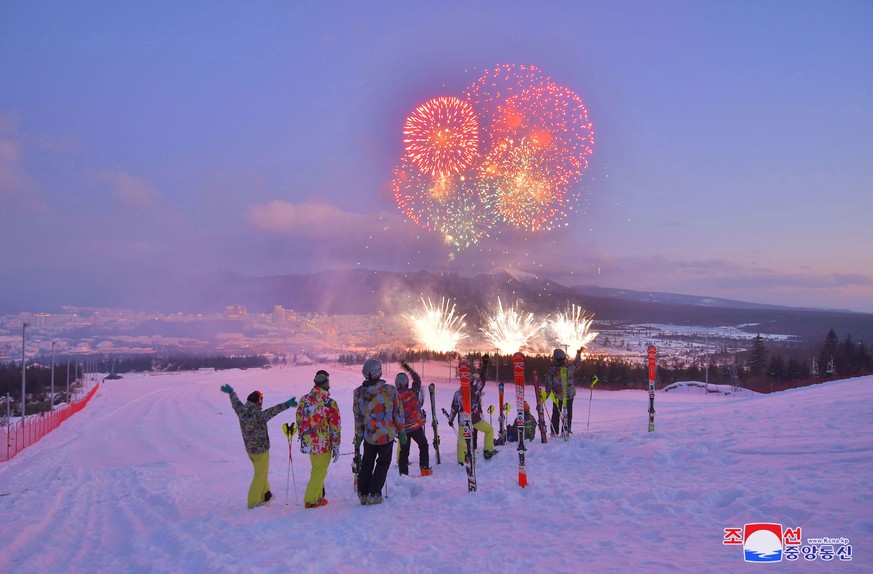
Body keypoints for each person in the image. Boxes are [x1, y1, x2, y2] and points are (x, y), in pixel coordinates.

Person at [220, 384, 297, 509]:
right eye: (261, 400)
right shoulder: (258, 415)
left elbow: (235, 402)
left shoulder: (241, 410)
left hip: (250, 451)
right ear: (258, 402)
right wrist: (287, 405)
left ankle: (266, 495)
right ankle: (253, 502)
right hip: (261, 451)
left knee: (261, 472)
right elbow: (272, 411)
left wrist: (231, 392)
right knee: (260, 475)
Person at [353, 358, 405, 505]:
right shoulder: (390, 391)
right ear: (379, 372)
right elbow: (398, 414)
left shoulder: (358, 393)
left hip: (369, 436)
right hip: (386, 435)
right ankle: (374, 493)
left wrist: (359, 435)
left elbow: (358, 416)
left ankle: (363, 492)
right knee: (383, 463)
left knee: (367, 462)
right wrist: (401, 432)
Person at [295, 369, 341, 509]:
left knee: (316, 469)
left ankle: (319, 497)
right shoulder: (329, 403)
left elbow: (299, 419)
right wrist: (336, 445)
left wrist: (303, 436)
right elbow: (335, 426)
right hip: (323, 444)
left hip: (309, 443)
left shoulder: (304, 399)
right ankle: (311, 499)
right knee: (319, 471)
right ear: (326, 383)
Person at [447, 355, 498, 464]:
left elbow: (453, 408)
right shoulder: (476, 389)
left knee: (461, 441)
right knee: (489, 430)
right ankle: (488, 450)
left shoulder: (458, 393)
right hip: (475, 419)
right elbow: (483, 379)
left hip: (463, 420)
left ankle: (461, 460)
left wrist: (450, 420)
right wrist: (485, 365)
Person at [396, 361, 432, 477]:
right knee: (423, 445)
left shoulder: (393, 396)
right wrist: (409, 369)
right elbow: (417, 380)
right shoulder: (413, 392)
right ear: (407, 383)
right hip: (416, 427)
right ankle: (424, 469)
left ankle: (403, 473)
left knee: (404, 451)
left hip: (403, 429)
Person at [546, 347, 583, 435]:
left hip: (557, 395)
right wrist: (578, 354)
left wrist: (545, 396)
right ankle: (566, 430)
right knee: (568, 413)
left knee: (556, 413)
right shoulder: (569, 367)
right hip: (569, 394)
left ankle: (554, 431)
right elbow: (577, 364)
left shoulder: (552, 370)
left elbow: (549, 384)